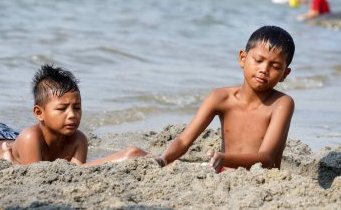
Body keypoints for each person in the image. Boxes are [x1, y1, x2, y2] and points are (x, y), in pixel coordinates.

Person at [106, 26, 295, 173]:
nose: (264, 69)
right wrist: (164, 159)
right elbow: (183, 141)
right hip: (220, 171)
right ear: (243, 58)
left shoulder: (282, 104)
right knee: (133, 153)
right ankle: (81, 167)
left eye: (275, 66)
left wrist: (224, 158)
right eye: (258, 60)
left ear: (285, 74)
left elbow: (266, 157)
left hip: (256, 181)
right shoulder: (221, 97)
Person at [0, 65, 88, 165]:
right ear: (39, 113)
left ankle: (13, 156)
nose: (72, 115)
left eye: (77, 108)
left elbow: (79, 171)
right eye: (62, 109)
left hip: (8, 135)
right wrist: (108, 159)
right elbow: (37, 176)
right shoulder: (30, 137)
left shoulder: (78, 139)